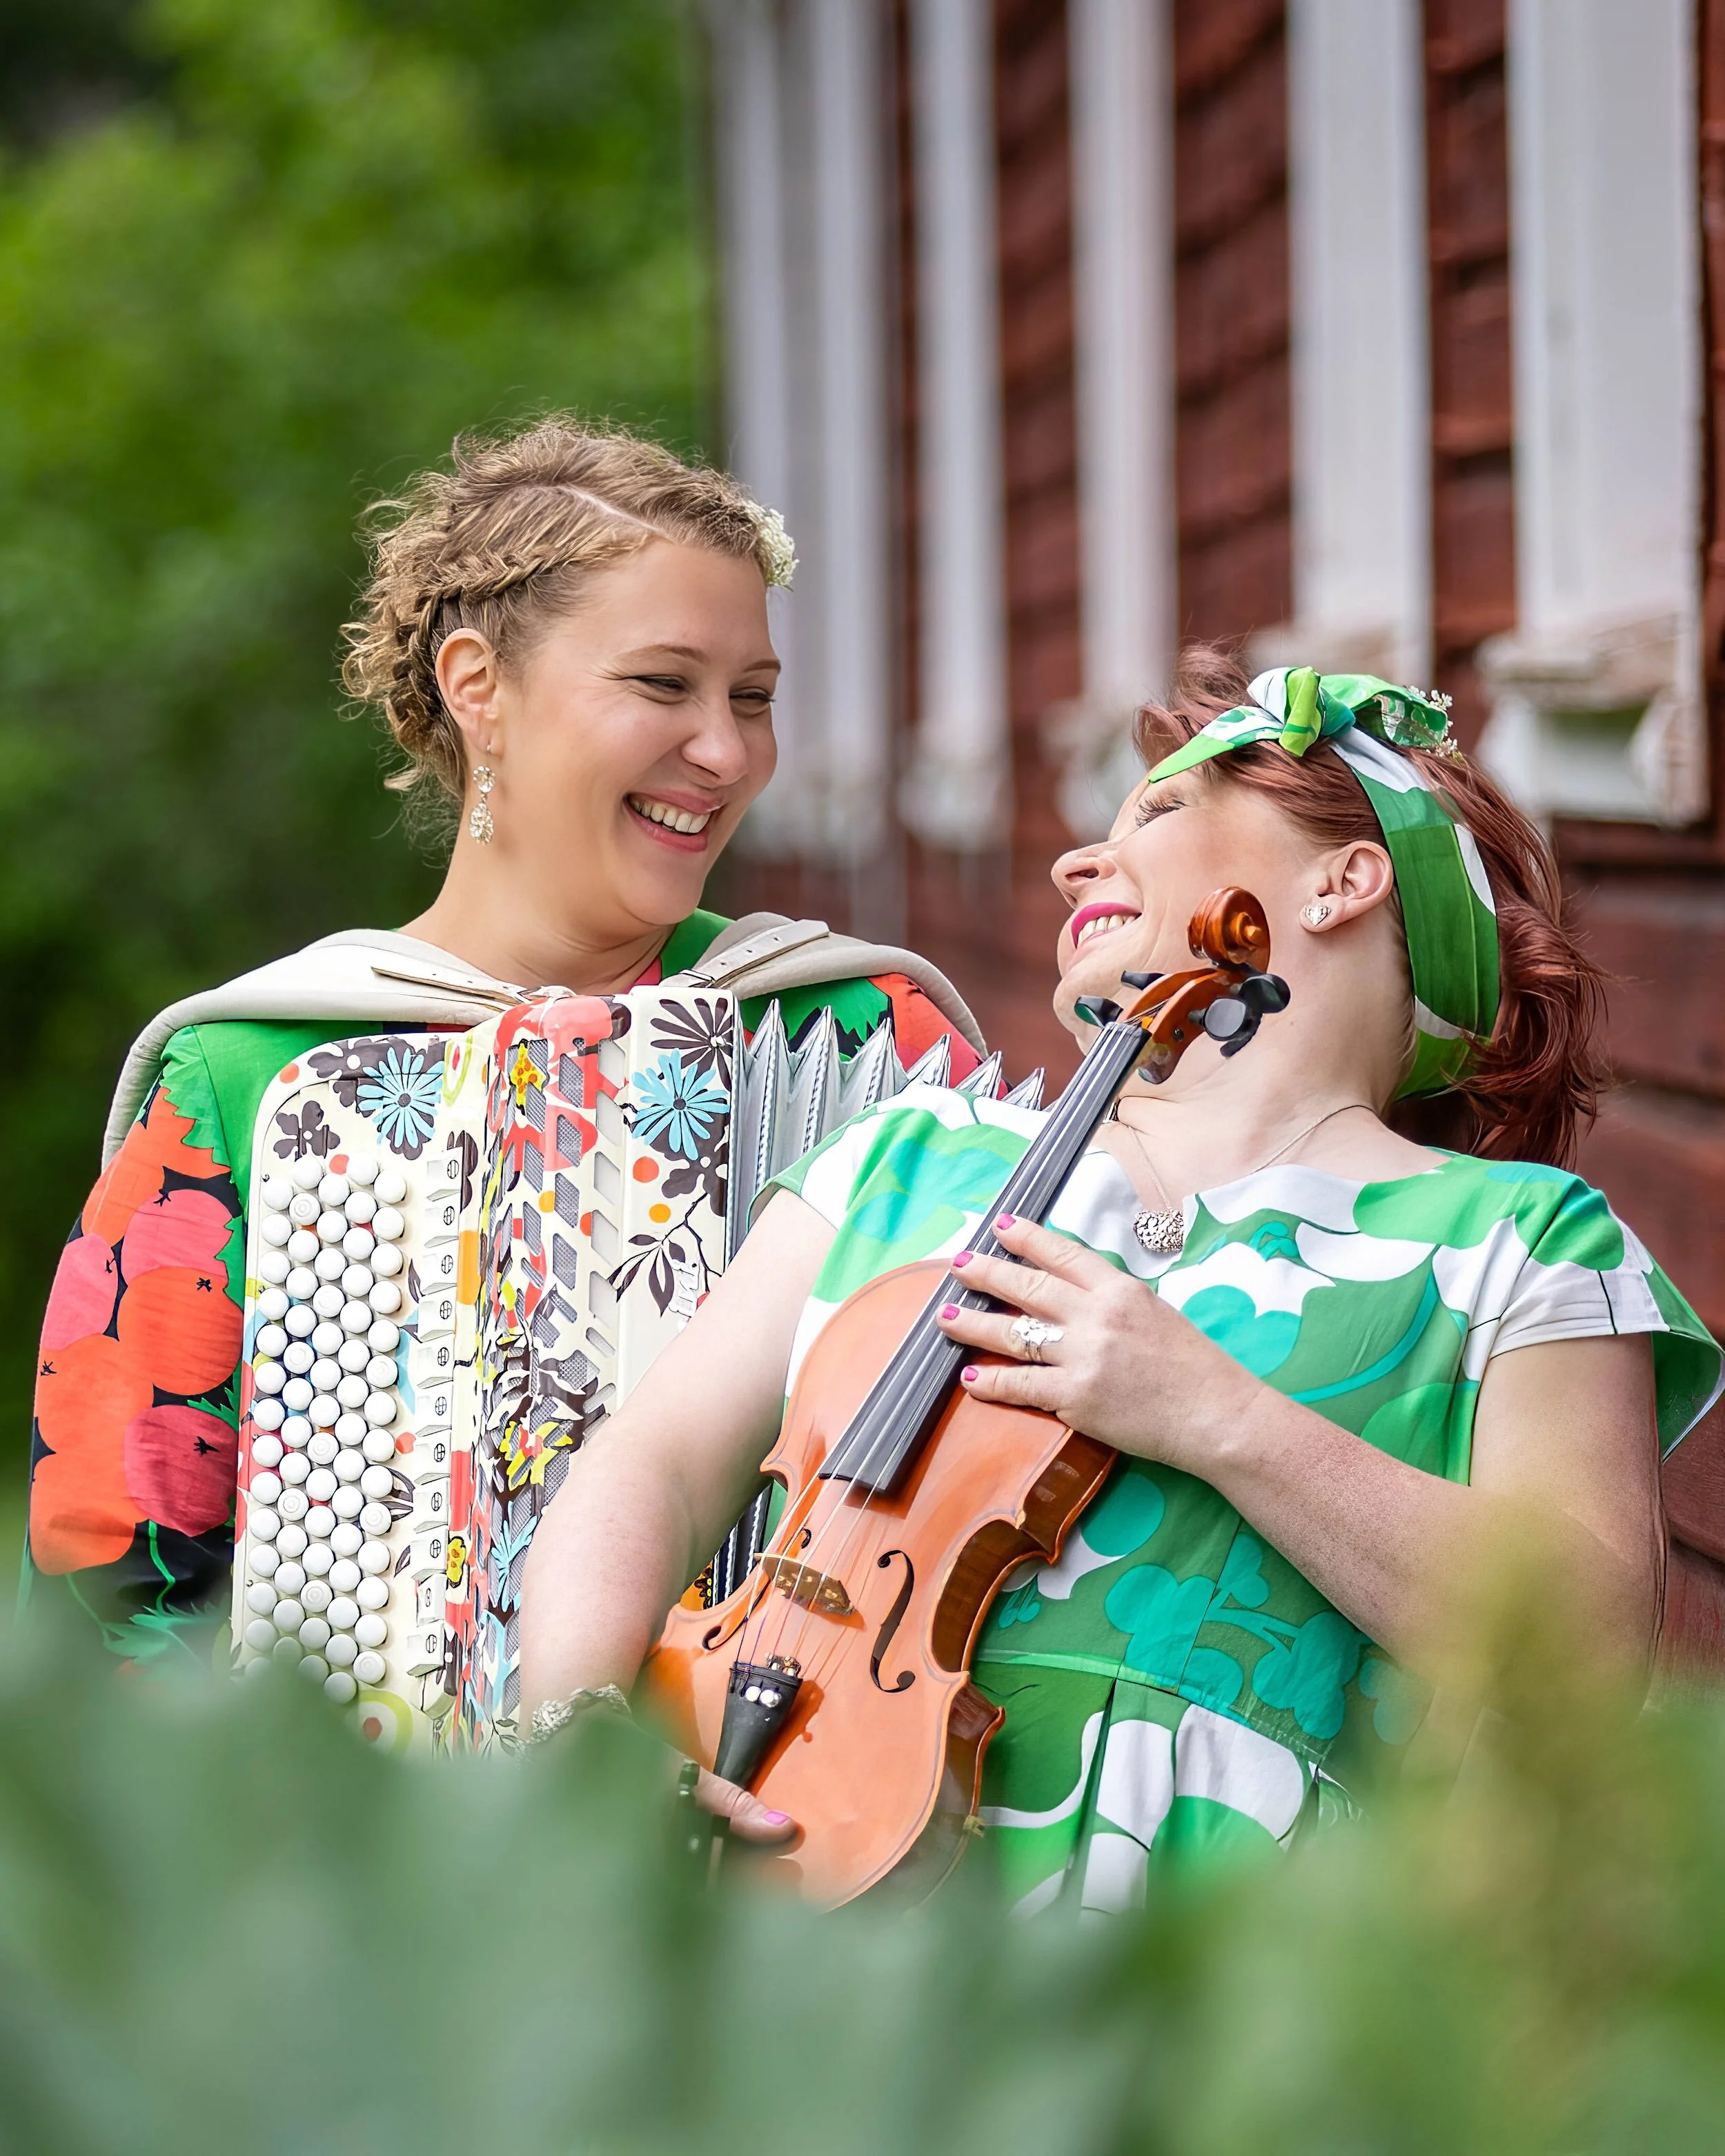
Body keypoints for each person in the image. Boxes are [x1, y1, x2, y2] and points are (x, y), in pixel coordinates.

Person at [518, 649, 1720, 1912]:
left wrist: (1214, 1413)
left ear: (1343, 881)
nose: (1073, 865)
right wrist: (581, 1746)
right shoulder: (911, 1158)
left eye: (1158, 810)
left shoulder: (1522, 1241)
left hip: (1236, 1957)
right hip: (802, 1877)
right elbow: (650, 1467)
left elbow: (1588, 1645)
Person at [26, 417, 983, 1668]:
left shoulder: (861, 1033)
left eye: (752, 698)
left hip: (821, 1759)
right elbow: (115, 1573)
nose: (727, 751)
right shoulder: (251, 1071)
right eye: (664, 685)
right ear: (479, 687)